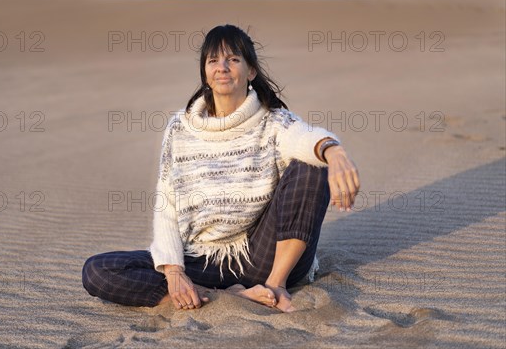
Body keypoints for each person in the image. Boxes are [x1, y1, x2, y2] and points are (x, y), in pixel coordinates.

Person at [82, 24, 360, 313]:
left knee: (311, 163)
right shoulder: (180, 128)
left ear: (251, 71)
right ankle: (227, 295)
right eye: (213, 60)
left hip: (264, 256)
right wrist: (175, 273)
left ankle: (274, 288)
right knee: (99, 270)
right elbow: (167, 205)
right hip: (201, 260)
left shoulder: (273, 121)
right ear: (205, 73)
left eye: (233, 59)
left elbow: (304, 137)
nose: (222, 67)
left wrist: (333, 151)